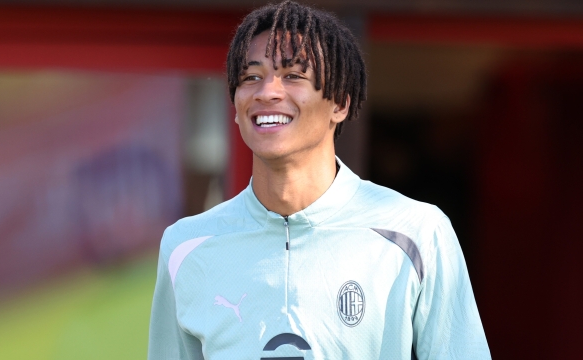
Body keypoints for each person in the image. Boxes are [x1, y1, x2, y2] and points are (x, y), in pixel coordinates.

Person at [148, 1, 490, 359]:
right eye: (251, 77)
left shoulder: (418, 233)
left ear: (340, 104)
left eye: (293, 75)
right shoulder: (186, 248)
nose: (267, 91)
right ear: (235, 106)